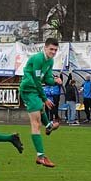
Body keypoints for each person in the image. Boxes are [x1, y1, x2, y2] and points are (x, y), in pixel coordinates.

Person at [18, 37, 62, 168]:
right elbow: (37, 81)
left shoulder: (50, 61)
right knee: (36, 124)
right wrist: (44, 98)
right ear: (45, 48)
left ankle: (48, 125)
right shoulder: (38, 58)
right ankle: (40, 156)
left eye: (55, 50)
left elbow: (46, 78)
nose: (53, 52)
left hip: (35, 90)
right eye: (51, 49)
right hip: (28, 89)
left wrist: (55, 80)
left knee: (40, 110)